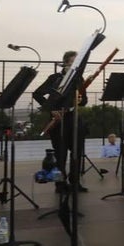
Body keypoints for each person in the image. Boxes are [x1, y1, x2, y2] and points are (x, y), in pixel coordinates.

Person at [32, 50, 89, 192]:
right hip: (58, 120)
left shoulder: (79, 79)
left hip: (73, 118)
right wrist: (51, 109)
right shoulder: (55, 78)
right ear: (65, 63)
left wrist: (80, 100)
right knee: (60, 154)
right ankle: (60, 184)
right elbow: (37, 94)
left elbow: (84, 101)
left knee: (77, 153)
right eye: (73, 61)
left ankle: (75, 182)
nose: (76, 65)